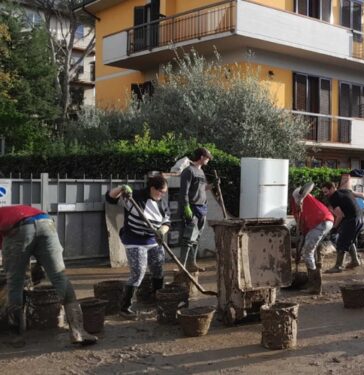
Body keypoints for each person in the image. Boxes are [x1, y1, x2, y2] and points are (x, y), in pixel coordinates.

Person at [0, 205, 98, 346]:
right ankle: (78, 332)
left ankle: (16, 337)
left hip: (20, 227)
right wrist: (39, 264)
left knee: (15, 282)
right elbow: (35, 235)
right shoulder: (14, 210)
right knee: (59, 276)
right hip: (47, 223)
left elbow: (11, 246)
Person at [106, 174, 171, 318]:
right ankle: (125, 307)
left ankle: (157, 301)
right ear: (153, 188)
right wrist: (121, 189)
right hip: (134, 240)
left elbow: (167, 222)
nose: (163, 195)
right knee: (138, 273)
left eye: (164, 192)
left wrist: (162, 231)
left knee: (158, 269)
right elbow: (110, 198)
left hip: (153, 240)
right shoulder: (134, 197)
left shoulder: (163, 204)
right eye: (161, 191)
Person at [291, 182, 334, 294]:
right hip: (326, 220)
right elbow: (304, 230)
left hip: (320, 222)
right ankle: (315, 273)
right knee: (311, 250)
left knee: (307, 253)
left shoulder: (298, 200)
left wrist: (300, 252)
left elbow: (301, 226)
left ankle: (315, 285)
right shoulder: (307, 198)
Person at [179, 147, 212, 272]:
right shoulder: (188, 171)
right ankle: (182, 266)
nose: (208, 160)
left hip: (202, 209)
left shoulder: (201, 172)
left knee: (196, 239)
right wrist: (186, 206)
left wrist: (213, 185)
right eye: (208, 157)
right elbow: (184, 191)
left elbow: (202, 189)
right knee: (188, 238)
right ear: (202, 157)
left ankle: (192, 264)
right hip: (192, 208)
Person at [322, 182, 364, 273]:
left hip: (352, 220)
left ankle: (338, 266)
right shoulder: (345, 191)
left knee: (341, 242)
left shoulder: (334, 198)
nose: (326, 194)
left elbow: (340, 215)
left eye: (326, 192)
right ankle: (355, 260)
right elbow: (361, 195)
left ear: (332, 188)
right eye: (324, 192)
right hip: (360, 218)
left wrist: (334, 228)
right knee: (350, 239)